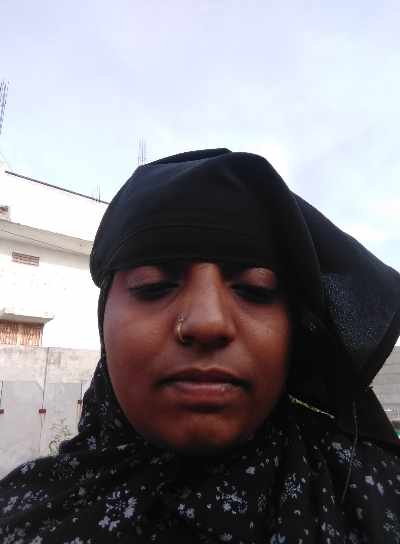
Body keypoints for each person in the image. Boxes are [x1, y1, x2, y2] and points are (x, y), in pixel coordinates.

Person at [1, 148, 399, 543]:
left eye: (255, 290)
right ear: (104, 319)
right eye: (154, 286)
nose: (208, 322)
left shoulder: (374, 499)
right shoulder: (22, 519)